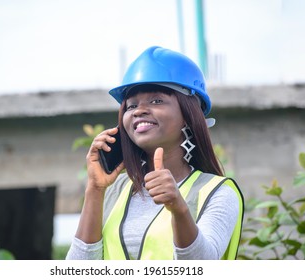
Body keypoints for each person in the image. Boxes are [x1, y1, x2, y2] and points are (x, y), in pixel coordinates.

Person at [66, 46, 244, 260]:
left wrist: (178, 209)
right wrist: (95, 189)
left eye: (156, 100)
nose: (139, 110)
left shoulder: (218, 193)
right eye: (130, 106)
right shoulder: (115, 190)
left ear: (189, 115)